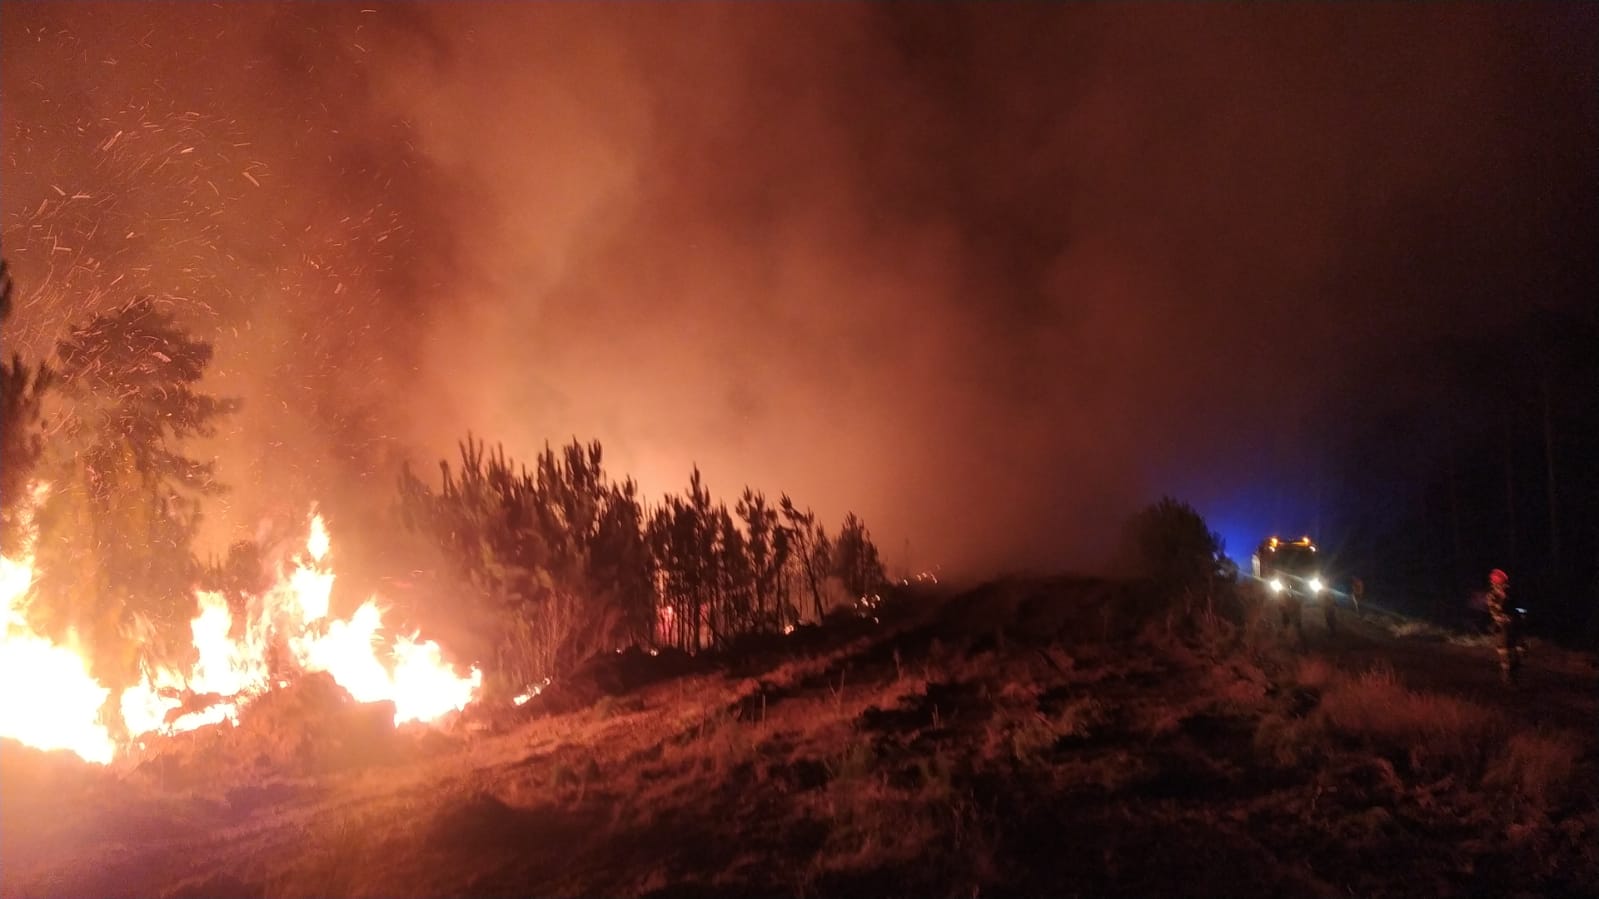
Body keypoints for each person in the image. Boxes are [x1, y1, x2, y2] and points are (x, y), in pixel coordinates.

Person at [1484, 568, 1524, 686]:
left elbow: (1519, 606)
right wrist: (1502, 598)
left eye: (1505, 583)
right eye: (1502, 583)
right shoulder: (1492, 596)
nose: (1505, 585)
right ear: (1495, 583)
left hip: (1515, 626)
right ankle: (1507, 678)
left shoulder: (1511, 593)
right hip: (1502, 628)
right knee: (1505, 653)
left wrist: (1521, 614)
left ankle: (1515, 675)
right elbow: (1495, 612)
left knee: (1519, 651)